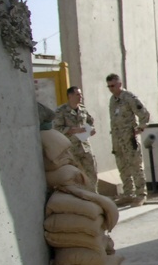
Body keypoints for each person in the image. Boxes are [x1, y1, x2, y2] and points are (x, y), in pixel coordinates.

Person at [106, 73, 150, 207]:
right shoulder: (113, 100)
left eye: (113, 85)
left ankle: (141, 195)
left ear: (119, 84)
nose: (111, 88)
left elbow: (144, 114)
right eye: (108, 86)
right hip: (117, 141)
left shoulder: (129, 97)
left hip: (129, 139)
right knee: (123, 168)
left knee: (135, 167)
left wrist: (140, 128)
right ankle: (128, 194)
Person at [52, 86, 98, 190]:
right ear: (70, 96)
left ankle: (94, 196)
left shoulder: (82, 109)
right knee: (76, 176)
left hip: (85, 147)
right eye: (78, 94)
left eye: (81, 94)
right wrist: (72, 130)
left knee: (92, 173)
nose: (80, 96)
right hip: (71, 149)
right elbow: (56, 129)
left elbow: (90, 122)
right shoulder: (61, 111)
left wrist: (91, 130)